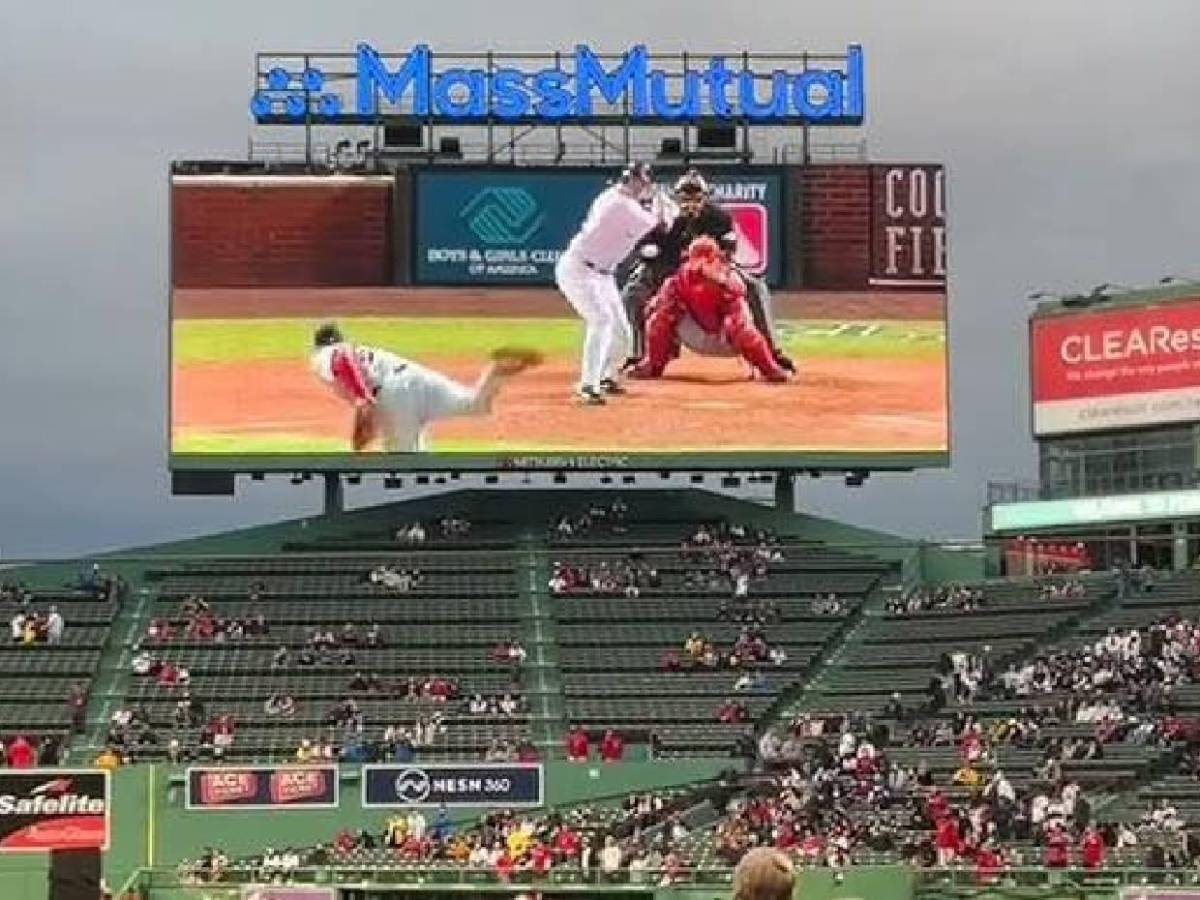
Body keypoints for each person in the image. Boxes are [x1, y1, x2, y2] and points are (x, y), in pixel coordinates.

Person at [623, 168, 791, 371]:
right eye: (685, 199)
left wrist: (712, 267)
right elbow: (645, 249)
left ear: (705, 198)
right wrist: (654, 250)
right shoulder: (662, 218)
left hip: (709, 271)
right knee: (633, 293)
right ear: (676, 199)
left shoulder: (719, 218)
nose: (690, 204)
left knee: (756, 286)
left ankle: (772, 351)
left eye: (696, 199)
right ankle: (640, 353)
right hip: (668, 268)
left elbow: (728, 251)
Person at [309, 323, 539, 452]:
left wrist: (362, 396)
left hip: (392, 392)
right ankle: (495, 372)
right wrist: (360, 438)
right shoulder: (365, 352)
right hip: (414, 375)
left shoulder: (325, 354)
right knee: (474, 404)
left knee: (402, 460)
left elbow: (342, 357)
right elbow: (370, 418)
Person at [554, 161, 664, 404]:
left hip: (603, 274)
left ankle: (607, 377)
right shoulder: (618, 204)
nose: (639, 185)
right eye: (637, 181)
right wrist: (659, 202)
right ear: (629, 180)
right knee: (601, 320)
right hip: (578, 270)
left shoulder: (622, 201)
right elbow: (655, 222)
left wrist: (653, 201)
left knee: (622, 332)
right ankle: (588, 385)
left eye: (641, 181)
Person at [629, 236, 790, 383]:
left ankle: (769, 367)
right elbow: (657, 308)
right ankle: (653, 364)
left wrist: (720, 282)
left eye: (707, 258)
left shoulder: (729, 277)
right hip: (694, 334)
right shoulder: (677, 280)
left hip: (726, 338)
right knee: (659, 316)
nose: (701, 265)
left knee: (739, 322)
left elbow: (739, 292)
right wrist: (657, 305)